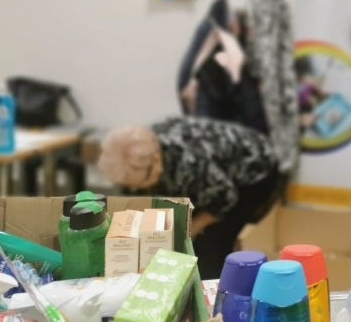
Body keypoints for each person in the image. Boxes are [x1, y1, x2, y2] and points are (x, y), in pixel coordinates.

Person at [98, 116, 279, 279]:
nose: (133, 189)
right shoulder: (138, 151)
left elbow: (225, 198)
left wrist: (192, 230)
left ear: (156, 161)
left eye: (137, 183)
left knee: (206, 251)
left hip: (253, 172)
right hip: (207, 172)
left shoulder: (190, 163)